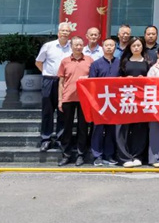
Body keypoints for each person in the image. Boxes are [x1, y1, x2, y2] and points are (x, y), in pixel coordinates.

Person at [56, 36, 93, 166]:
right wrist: (60, 99)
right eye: (76, 45)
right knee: (67, 127)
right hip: (68, 97)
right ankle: (66, 155)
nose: (78, 47)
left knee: (83, 127)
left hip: (84, 99)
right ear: (71, 46)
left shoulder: (89, 60)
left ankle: (81, 154)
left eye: (81, 45)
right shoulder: (65, 61)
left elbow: (93, 79)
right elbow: (61, 82)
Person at [35, 22, 72, 152]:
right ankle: (46, 139)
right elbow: (38, 62)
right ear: (58, 32)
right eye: (63, 30)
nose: (65, 33)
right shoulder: (48, 46)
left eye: (67, 31)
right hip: (49, 80)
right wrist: (46, 73)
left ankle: (60, 139)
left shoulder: (72, 47)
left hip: (65, 82)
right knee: (47, 111)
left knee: (63, 111)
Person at [116, 37, 151, 168]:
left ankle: (137, 155)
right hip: (126, 98)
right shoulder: (124, 61)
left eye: (138, 45)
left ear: (142, 47)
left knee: (140, 128)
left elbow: (153, 80)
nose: (136, 48)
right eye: (133, 46)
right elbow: (117, 78)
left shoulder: (148, 62)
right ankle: (124, 157)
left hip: (142, 99)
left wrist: (145, 79)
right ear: (129, 47)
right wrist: (125, 79)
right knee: (122, 128)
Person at [89, 38, 120, 166]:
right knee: (98, 129)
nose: (109, 47)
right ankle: (97, 156)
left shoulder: (119, 63)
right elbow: (91, 84)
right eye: (106, 45)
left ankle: (109, 155)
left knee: (111, 130)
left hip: (115, 102)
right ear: (102, 47)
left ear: (115, 48)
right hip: (99, 102)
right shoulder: (96, 64)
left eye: (111, 45)